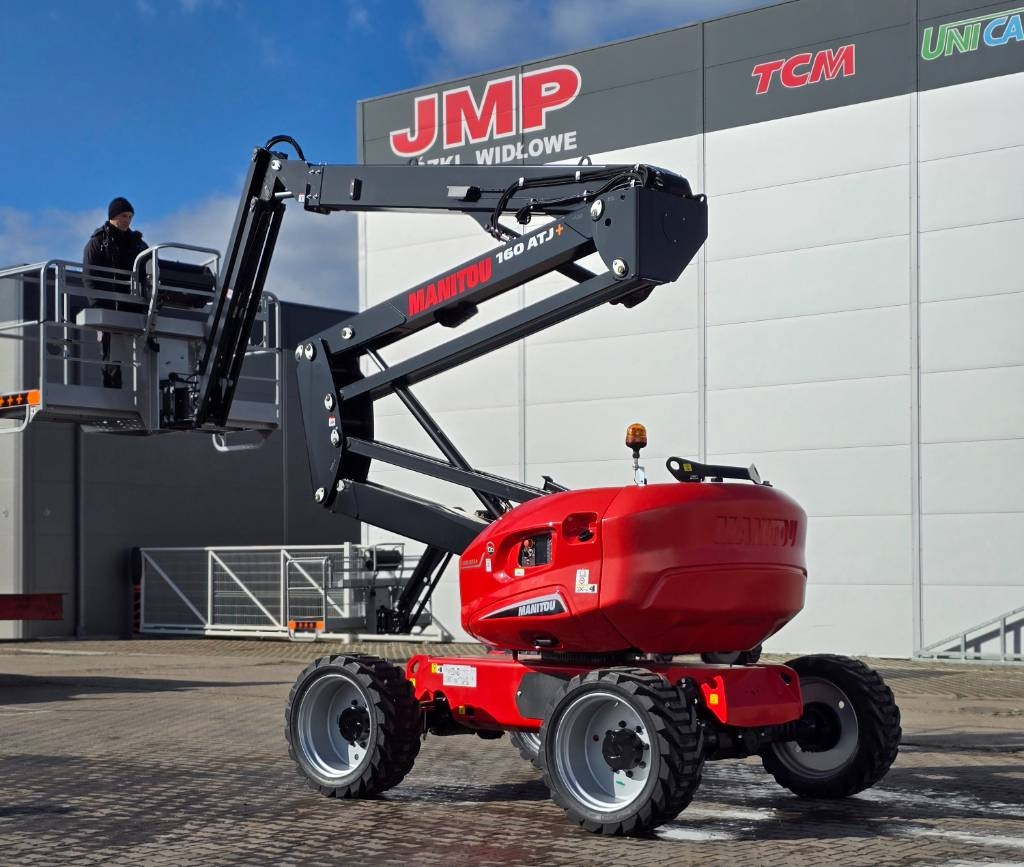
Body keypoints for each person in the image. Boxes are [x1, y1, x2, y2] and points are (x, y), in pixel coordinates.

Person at [83, 197, 148, 388]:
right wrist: (98, 305)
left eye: (130, 216)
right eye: (123, 216)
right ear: (113, 217)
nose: (127, 220)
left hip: (133, 308)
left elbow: (149, 271)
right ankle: (113, 392)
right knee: (111, 356)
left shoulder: (139, 245)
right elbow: (89, 276)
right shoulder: (97, 242)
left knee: (140, 356)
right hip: (109, 307)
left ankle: (141, 393)